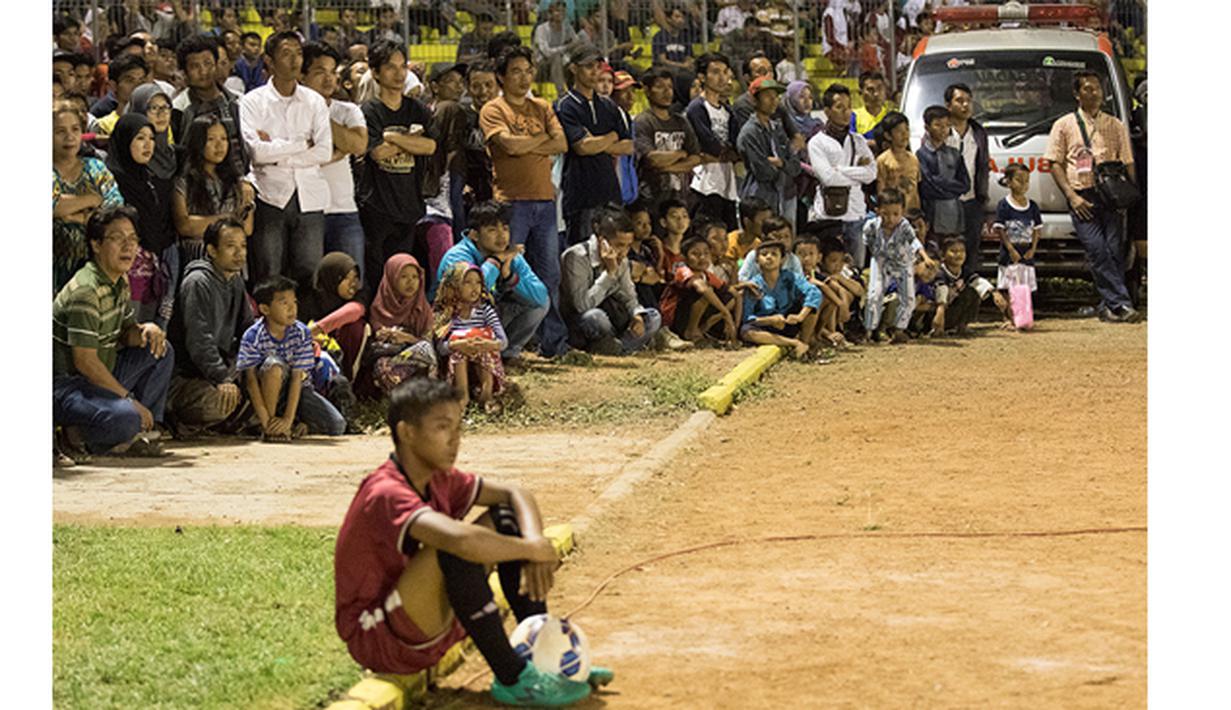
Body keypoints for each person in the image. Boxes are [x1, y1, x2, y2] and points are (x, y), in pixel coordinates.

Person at [333, 378, 611, 705]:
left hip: (417, 617)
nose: (455, 440)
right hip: (379, 636)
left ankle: (542, 654)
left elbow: (514, 493)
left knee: (506, 517)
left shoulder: (438, 477)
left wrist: (534, 540)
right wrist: (532, 549)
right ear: (407, 432)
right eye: (442, 427)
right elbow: (460, 542)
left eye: (458, 428)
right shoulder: (385, 492)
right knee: (456, 545)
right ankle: (512, 677)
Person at [53, 206, 173, 458]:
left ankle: (139, 429)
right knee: (126, 416)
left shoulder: (119, 280)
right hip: (67, 383)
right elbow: (84, 362)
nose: (128, 247)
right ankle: (80, 434)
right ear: (96, 245)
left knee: (161, 349)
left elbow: (125, 333)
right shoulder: (86, 291)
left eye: (133, 239)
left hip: (99, 374)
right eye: (118, 238)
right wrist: (129, 399)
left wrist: (144, 331)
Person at [479, 45, 570, 358]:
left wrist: (527, 145)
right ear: (501, 77)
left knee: (549, 276)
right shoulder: (493, 109)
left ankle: (553, 344)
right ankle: (500, 342)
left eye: (528, 71)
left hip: (544, 202)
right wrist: (540, 143)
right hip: (511, 203)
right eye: (515, 71)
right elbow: (509, 146)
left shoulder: (542, 106)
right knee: (504, 273)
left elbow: (562, 142)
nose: (523, 77)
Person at [240, 31, 333, 295]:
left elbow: (324, 151)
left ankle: (307, 332)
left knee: (310, 273)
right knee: (268, 272)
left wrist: (277, 150)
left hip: (310, 197)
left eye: (299, 53)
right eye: (286, 53)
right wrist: (302, 143)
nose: (295, 60)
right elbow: (256, 153)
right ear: (268, 61)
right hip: (270, 195)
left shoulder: (313, 100)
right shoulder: (252, 101)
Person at [1044, 70, 1141, 323]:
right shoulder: (1064, 125)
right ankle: (1120, 303)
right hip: (1081, 195)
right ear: (1077, 94)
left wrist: (1133, 195)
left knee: (1114, 250)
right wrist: (1071, 196)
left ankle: (1110, 306)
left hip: (1112, 196)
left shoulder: (1115, 124)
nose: (1094, 92)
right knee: (1097, 250)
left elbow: (1128, 161)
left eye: (1097, 88)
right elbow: (1054, 163)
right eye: (1087, 88)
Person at [357, 40, 440, 306]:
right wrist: (409, 140)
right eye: (390, 67)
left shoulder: (416, 109)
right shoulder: (368, 111)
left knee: (404, 277)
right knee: (377, 274)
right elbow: (377, 153)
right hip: (377, 207)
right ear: (376, 72)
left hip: (409, 205)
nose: (399, 73)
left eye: (402, 66)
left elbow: (430, 146)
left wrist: (392, 136)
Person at [433, 201, 549, 366]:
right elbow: (467, 296)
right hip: (456, 321)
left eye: (505, 228)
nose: (502, 236)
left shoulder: (508, 254)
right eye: (492, 230)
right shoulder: (457, 256)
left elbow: (541, 296)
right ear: (474, 235)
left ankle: (507, 354)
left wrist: (509, 276)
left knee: (539, 305)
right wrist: (494, 262)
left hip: (486, 315)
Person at [166, 218, 253, 434]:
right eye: (231, 246)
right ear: (212, 250)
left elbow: (247, 330)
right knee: (218, 403)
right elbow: (199, 340)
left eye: (243, 246)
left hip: (223, 367)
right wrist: (222, 377)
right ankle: (179, 418)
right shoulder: (198, 282)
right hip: (189, 375)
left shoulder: (235, 280)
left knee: (271, 378)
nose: (239, 253)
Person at [237, 275, 347, 441]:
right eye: (284, 303)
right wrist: (267, 423)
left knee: (336, 425)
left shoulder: (301, 333)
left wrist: (288, 420)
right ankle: (269, 426)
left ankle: (296, 424)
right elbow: (251, 381)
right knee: (274, 366)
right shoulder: (253, 335)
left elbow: (297, 379)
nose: (292, 309)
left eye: (294, 302)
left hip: (298, 390)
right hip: (265, 390)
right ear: (265, 309)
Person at [106, 114, 179, 330]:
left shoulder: (151, 179)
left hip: (158, 262)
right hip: (127, 266)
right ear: (124, 140)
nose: (148, 145)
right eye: (140, 138)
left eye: (151, 138)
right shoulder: (112, 180)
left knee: (155, 333)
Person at [556, 44, 633, 246]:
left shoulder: (608, 105)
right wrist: (611, 137)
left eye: (597, 66)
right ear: (574, 68)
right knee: (582, 256)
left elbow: (628, 146)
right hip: (581, 194)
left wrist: (597, 141)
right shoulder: (565, 105)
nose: (595, 72)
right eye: (588, 66)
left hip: (610, 192)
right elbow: (582, 147)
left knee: (614, 253)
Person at [302, 41, 369, 274]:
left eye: (332, 72)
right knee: (311, 284)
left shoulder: (347, 110)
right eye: (320, 72)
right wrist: (338, 150)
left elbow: (359, 145)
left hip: (344, 210)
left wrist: (320, 115)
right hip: (306, 210)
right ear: (302, 76)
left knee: (353, 281)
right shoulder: (291, 112)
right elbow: (292, 154)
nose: (329, 79)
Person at [561, 209, 664, 356]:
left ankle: (615, 347)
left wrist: (636, 315)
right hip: (581, 321)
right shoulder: (576, 257)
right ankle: (623, 348)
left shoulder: (622, 259)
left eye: (628, 246)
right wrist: (609, 274)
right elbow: (581, 306)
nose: (624, 252)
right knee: (595, 317)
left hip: (613, 319)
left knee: (653, 317)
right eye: (620, 245)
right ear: (602, 241)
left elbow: (629, 295)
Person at [808, 83, 877, 267]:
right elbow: (828, 179)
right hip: (829, 216)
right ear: (827, 111)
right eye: (839, 107)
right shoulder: (817, 143)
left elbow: (871, 174)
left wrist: (840, 169)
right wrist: (856, 173)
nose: (846, 112)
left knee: (857, 269)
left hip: (856, 214)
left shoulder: (859, 141)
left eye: (848, 107)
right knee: (830, 271)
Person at [172, 114, 256, 266]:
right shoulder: (184, 182)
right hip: (198, 258)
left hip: (232, 259)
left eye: (224, 139)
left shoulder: (237, 183)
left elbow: (247, 228)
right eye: (211, 139)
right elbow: (185, 226)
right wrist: (228, 218)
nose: (220, 145)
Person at [433, 263, 508, 413]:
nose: (474, 287)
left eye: (478, 282)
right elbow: (440, 348)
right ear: (453, 286)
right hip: (454, 370)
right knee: (459, 350)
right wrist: (457, 344)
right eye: (467, 282)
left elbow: (503, 342)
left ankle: (487, 395)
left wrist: (489, 344)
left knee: (482, 342)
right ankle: (462, 396)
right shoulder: (447, 314)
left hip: (482, 365)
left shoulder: (485, 311)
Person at [172, 34, 248, 178]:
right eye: (195, 66)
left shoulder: (236, 101)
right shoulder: (179, 108)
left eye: (208, 63)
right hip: (198, 187)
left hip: (239, 182)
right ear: (185, 72)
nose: (203, 71)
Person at [862, 188, 931, 344]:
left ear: (902, 212)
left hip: (902, 262)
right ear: (877, 211)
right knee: (874, 294)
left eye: (896, 214)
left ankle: (899, 330)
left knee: (908, 298)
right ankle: (869, 331)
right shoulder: (870, 226)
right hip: (880, 261)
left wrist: (925, 257)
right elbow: (867, 242)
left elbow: (914, 242)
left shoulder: (904, 226)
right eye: (885, 214)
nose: (891, 219)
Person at [368, 255, 439, 397]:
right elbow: (374, 343)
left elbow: (429, 345)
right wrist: (383, 335)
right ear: (391, 278)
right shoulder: (379, 306)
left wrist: (406, 338)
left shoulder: (422, 307)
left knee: (425, 349)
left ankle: (429, 395)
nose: (410, 282)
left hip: (417, 360)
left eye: (414, 277)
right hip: (391, 359)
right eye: (403, 277)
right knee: (383, 367)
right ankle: (403, 399)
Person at [686, 53, 741, 231]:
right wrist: (723, 153)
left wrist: (725, 154)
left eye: (725, 72)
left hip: (727, 182)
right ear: (702, 77)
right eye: (715, 72)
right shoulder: (697, 108)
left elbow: (737, 147)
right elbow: (709, 143)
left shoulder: (728, 111)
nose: (722, 77)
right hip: (704, 184)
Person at [739, 239, 820, 358]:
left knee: (811, 309)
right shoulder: (754, 285)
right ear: (757, 260)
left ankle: (804, 343)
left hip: (789, 321)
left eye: (774, 254)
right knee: (746, 332)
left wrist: (800, 316)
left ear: (782, 259)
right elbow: (748, 317)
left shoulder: (791, 277)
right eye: (764, 254)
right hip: (766, 326)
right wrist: (770, 320)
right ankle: (795, 343)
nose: (769, 257)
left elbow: (814, 293)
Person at [736, 77, 801, 226]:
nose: (774, 100)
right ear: (754, 100)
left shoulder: (776, 128)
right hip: (759, 198)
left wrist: (781, 163)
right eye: (767, 96)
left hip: (782, 194)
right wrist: (785, 166)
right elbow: (763, 172)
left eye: (776, 96)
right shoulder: (749, 133)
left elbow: (796, 167)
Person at [634, 67, 702, 203]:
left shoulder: (681, 121)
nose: (667, 92)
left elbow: (695, 158)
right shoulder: (643, 122)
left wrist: (667, 167)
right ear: (647, 91)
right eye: (660, 87)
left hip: (682, 196)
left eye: (670, 87)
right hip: (652, 196)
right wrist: (680, 154)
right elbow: (652, 159)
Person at [944, 83, 991, 279]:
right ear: (948, 105)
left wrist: (982, 197)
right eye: (959, 101)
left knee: (971, 250)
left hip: (972, 200)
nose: (965, 105)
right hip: (946, 203)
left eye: (968, 101)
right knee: (948, 249)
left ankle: (968, 294)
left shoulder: (978, 133)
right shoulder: (941, 131)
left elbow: (983, 166)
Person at [659, 236, 741, 343]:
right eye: (695, 254)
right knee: (706, 292)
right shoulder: (682, 270)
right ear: (684, 258)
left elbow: (736, 295)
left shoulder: (707, 275)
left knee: (729, 298)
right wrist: (726, 314)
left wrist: (735, 326)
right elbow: (703, 289)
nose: (702, 257)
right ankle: (690, 332)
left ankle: (702, 329)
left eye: (706, 253)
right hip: (673, 319)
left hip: (692, 316)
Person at [303, 252, 369, 382]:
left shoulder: (360, 295)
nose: (353, 284)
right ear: (331, 278)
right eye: (345, 278)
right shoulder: (308, 299)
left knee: (356, 327)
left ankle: (348, 380)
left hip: (346, 360)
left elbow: (355, 310)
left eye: (355, 277)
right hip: (315, 360)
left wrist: (318, 328)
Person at [931, 236, 1004, 337]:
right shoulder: (940, 273)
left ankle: (962, 326)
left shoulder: (965, 271)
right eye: (953, 251)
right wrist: (940, 310)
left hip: (952, 311)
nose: (959, 254)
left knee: (973, 291)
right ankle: (936, 330)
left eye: (962, 251)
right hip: (935, 313)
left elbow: (978, 281)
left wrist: (994, 292)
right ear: (943, 255)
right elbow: (940, 290)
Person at [916, 105, 970, 241]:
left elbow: (965, 184)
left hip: (954, 211)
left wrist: (941, 183)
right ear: (927, 127)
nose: (943, 130)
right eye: (938, 125)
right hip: (932, 211)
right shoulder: (922, 154)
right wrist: (952, 189)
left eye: (946, 125)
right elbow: (927, 186)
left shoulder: (955, 154)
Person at [991, 163, 1041, 303]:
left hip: (1026, 253)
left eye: (1027, 181)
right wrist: (1011, 249)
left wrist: (1033, 249)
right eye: (1019, 180)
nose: (1024, 184)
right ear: (1008, 182)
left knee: (1025, 286)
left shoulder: (1032, 206)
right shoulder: (1004, 205)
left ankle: (1023, 317)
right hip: (1009, 254)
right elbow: (1000, 229)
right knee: (1007, 286)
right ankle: (1008, 318)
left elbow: (1037, 230)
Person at [461, 60, 498, 212]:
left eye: (489, 85)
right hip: (471, 194)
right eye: (476, 86)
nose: (483, 92)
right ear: (468, 88)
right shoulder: (461, 117)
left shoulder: (508, 115)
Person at [94, 53, 150, 137]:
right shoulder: (103, 126)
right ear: (113, 86)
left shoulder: (156, 123)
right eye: (130, 81)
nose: (137, 86)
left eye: (142, 81)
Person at [651, 5, 697, 106]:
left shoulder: (685, 37)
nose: (681, 20)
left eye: (682, 17)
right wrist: (682, 66)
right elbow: (662, 60)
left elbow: (689, 57)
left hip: (681, 70)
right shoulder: (660, 37)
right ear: (668, 19)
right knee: (679, 75)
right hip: (664, 69)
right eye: (677, 17)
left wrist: (687, 64)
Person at [875, 111, 920, 211]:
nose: (905, 134)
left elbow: (916, 187)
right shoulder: (883, 160)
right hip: (893, 213)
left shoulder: (914, 159)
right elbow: (881, 188)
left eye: (907, 129)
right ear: (888, 136)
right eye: (899, 131)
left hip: (912, 210)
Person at [737, 215, 804, 282]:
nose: (783, 241)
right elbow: (741, 279)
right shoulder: (754, 256)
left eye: (786, 236)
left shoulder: (793, 260)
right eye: (777, 236)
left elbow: (801, 283)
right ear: (764, 237)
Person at [533, 1, 579, 96]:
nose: (560, 14)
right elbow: (546, 52)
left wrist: (570, 49)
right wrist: (566, 47)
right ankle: (562, 93)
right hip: (542, 66)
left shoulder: (566, 28)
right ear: (550, 13)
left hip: (560, 64)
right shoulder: (541, 29)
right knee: (556, 57)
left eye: (563, 11)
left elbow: (576, 42)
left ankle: (575, 92)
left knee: (574, 63)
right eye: (557, 11)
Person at [725, 196, 772, 265]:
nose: (767, 225)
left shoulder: (760, 244)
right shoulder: (729, 242)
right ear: (747, 222)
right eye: (763, 221)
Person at [656, 197, 691, 279]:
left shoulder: (693, 249)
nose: (680, 220)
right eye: (674, 216)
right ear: (663, 222)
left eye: (684, 216)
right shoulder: (657, 248)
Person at [852, 71, 892, 141]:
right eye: (870, 90)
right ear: (860, 93)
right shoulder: (853, 116)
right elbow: (853, 142)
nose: (876, 94)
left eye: (879, 88)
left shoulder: (892, 115)